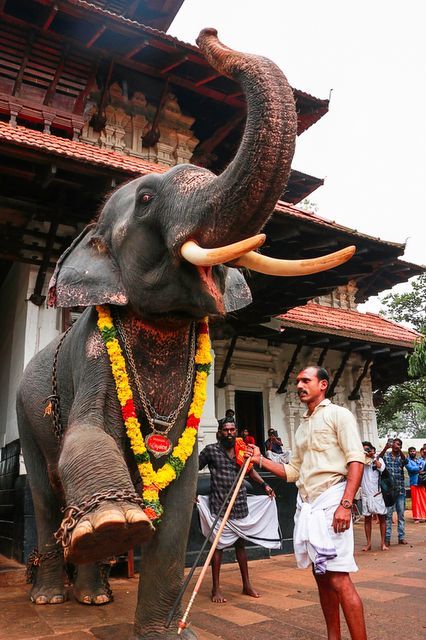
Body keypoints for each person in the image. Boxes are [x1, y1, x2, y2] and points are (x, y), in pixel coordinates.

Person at [246, 366, 367, 640]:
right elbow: (293, 472)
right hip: (309, 505)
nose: (299, 385)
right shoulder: (301, 427)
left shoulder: (339, 415)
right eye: (297, 381)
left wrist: (346, 505)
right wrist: (259, 460)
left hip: (333, 500)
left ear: (322, 385)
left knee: (338, 578)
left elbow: (356, 459)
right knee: (321, 577)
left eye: (305, 380)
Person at [198, 421, 278, 603]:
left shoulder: (243, 450)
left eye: (232, 430)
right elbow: (195, 467)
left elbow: (250, 472)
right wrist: (193, 494)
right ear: (219, 433)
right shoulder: (211, 451)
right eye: (225, 430)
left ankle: (246, 584)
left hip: (240, 503)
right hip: (219, 505)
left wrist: (265, 485)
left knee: (240, 545)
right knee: (217, 547)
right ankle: (216, 588)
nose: (229, 433)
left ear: (236, 432)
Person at [378, 437, 408, 545]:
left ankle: (401, 537)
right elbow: (378, 459)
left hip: (400, 490)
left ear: (400, 446)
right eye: (394, 444)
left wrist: (399, 450)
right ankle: (387, 539)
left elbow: (406, 461)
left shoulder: (402, 457)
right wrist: (386, 448)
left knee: (401, 515)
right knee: (388, 515)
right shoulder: (386, 456)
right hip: (389, 492)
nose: (396, 445)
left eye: (398, 444)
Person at [360, 442, 389, 551]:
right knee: (367, 519)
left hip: (377, 494)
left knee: (382, 518)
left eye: (368, 449)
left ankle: (383, 543)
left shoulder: (378, 459)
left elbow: (381, 468)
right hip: (365, 494)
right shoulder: (360, 460)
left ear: (372, 450)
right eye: (364, 450)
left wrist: (373, 457)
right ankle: (368, 544)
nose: (366, 451)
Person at [406, 446, 426, 523]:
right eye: (411, 451)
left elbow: (424, 465)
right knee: (415, 501)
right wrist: (419, 469)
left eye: (414, 451)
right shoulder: (407, 461)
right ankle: (416, 517)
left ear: (416, 452)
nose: (412, 452)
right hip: (414, 482)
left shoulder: (419, 460)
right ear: (409, 453)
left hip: (422, 482)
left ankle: (423, 516)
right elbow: (411, 469)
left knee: (423, 500)